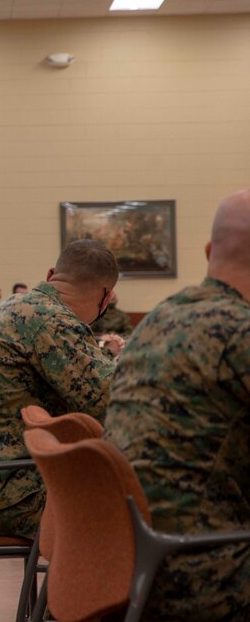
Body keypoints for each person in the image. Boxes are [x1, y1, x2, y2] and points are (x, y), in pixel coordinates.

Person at [105, 189, 250, 621]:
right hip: (203, 567)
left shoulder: (159, 317)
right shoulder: (238, 330)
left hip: (127, 558)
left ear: (208, 252)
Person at [0, 239, 120, 538]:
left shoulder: (18, 305)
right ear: (106, 296)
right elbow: (108, 404)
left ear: (50, 275)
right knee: (142, 503)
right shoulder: (52, 320)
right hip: (3, 497)